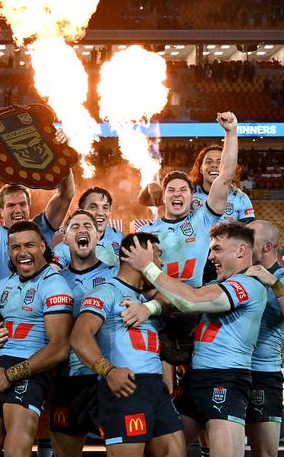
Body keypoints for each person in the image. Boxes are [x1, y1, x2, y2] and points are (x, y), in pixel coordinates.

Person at [121, 222, 267, 457]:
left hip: (226, 380)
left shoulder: (248, 285)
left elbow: (191, 300)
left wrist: (147, 267)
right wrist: (150, 307)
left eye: (217, 249)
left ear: (240, 251)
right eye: (210, 250)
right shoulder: (218, 285)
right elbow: (177, 299)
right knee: (164, 452)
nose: (211, 257)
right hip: (195, 380)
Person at [71, 232, 185, 457]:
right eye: (158, 255)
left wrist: (151, 306)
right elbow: (79, 336)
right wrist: (109, 371)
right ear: (136, 255)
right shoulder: (106, 291)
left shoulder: (146, 299)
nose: (161, 263)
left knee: (176, 451)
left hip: (156, 388)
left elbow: (178, 299)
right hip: (126, 386)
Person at [0, 221, 73, 457]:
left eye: (29, 245)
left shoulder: (55, 284)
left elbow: (59, 348)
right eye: (15, 247)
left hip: (30, 370)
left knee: (16, 452)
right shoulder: (2, 286)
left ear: (43, 247)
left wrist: (10, 375)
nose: (22, 252)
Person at [138, 112, 239, 288]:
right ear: (163, 197)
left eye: (183, 190)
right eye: (171, 190)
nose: (177, 194)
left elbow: (224, 177)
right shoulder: (145, 231)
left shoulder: (203, 220)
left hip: (193, 305)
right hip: (156, 305)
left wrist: (231, 133)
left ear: (192, 197)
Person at [50, 210, 118, 457]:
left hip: (109, 377)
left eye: (88, 225)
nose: (82, 230)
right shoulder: (52, 280)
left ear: (98, 234)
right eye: (75, 226)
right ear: (65, 238)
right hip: (69, 378)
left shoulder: (116, 274)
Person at [0, 146, 75, 278]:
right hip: (4, 298)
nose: (18, 210)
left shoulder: (40, 227)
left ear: (29, 206)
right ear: (1, 210)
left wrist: (61, 155)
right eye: (11, 205)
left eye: (22, 204)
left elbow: (66, 195)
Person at [243, 220, 284, 457]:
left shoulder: (280, 277)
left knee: (265, 454)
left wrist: (274, 284)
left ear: (267, 247)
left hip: (263, 374)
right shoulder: (244, 275)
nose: (244, 245)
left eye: (250, 240)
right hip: (232, 371)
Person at [140, 146, 254, 224]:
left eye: (220, 162)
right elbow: (145, 201)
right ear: (200, 168)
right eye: (208, 162)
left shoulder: (240, 198)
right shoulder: (188, 192)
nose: (214, 165)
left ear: (227, 168)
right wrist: (151, 186)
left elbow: (250, 230)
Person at [53, 187, 123, 268]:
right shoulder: (68, 243)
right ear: (81, 211)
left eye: (105, 207)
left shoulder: (119, 236)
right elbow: (53, 271)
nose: (100, 213)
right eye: (93, 207)